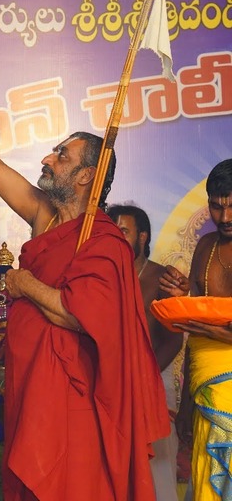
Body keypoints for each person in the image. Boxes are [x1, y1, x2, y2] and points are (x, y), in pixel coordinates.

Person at [0, 50, 169, 500]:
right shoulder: (46, 217)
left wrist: (22, 284)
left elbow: (78, 315)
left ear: (85, 177)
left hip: (71, 401)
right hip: (30, 389)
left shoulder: (105, 241)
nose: (48, 159)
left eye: (61, 155)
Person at [159, 158, 232, 501]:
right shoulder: (206, 246)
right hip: (204, 381)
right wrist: (181, 297)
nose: (225, 217)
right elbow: (197, 324)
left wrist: (221, 335)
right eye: (217, 207)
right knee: (205, 478)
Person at [108, 203, 184, 501]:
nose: (116, 237)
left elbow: (173, 341)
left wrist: (144, 380)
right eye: (111, 230)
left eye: (123, 231)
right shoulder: (102, 277)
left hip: (154, 381)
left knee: (158, 468)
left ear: (142, 237)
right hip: (112, 387)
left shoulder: (162, 278)